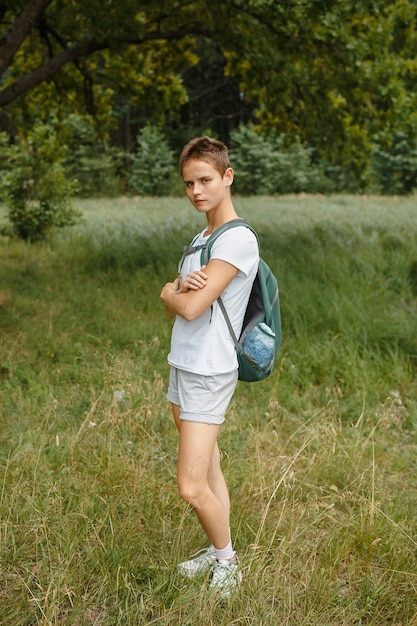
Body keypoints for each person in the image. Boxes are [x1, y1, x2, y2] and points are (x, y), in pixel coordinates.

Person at [160, 136, 259, 598]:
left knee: (190, 485)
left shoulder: (237, 239)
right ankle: (219, 548)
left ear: (227, 176)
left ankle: (228, 562)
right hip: (184, 362)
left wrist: (168, 290)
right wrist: (177, 291)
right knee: (210, 463)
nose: (197, 191)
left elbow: (190, 307)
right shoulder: (202, 238)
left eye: (205, 180)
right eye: (188, 183)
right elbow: (179, 306)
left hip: (208, 370)